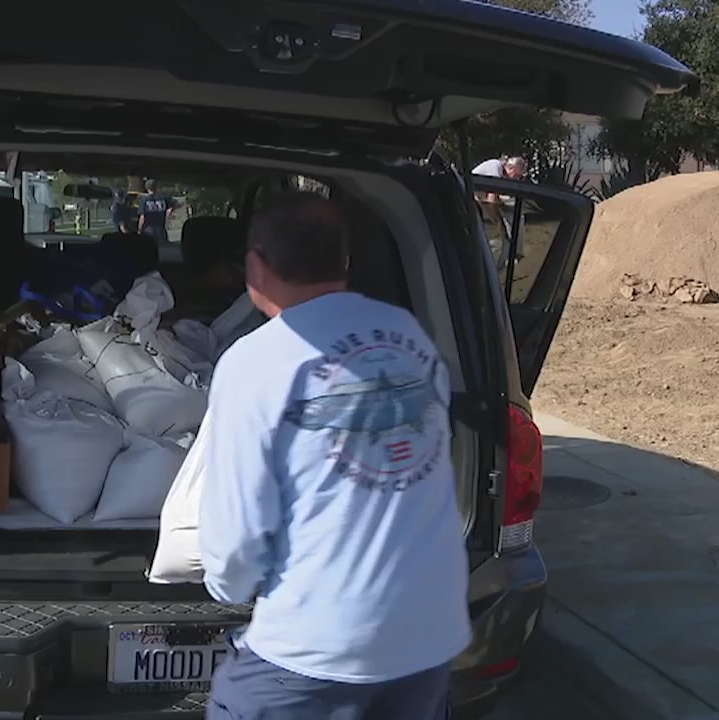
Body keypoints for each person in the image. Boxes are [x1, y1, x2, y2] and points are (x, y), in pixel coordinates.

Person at [198, 192, 471, 719]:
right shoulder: (407, 333)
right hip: (431, 635)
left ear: (255, 265)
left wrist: (228, 588)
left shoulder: (256, 362)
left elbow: (237, 537)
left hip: (314, 651)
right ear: (343, 262)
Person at [472, 156, 528, 270]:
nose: (517, 179)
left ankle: (512, 253)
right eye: (517, 175)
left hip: (477, 197)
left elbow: (493, 199)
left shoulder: (499, 170)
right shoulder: (495, 169)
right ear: (511, 168)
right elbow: (491, 201)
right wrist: (498, 222)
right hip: (470, 198)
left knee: (515, 216)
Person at [137, 179, 178, 244]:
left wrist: (139, 230)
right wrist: (170, 210)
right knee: (163, 249)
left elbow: (142, 217)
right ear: (156, 187)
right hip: (161, 228)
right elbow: (175, 202)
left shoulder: (144, 200)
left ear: (146, 188)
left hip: (148, 230)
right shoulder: (163, 198)